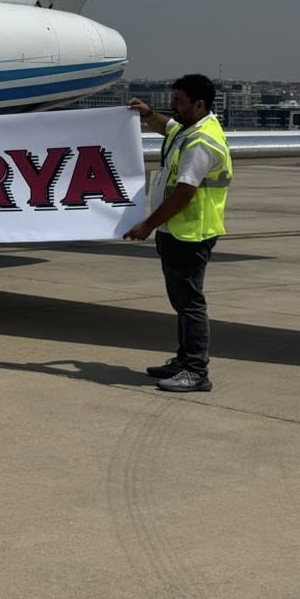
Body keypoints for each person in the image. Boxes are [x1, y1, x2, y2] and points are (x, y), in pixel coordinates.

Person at [126, 74, 233, 392]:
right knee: (182, 301)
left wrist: (147, 225)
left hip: (190, 234)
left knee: (190, 303)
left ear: (199, 104)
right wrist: (147, 114)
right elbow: (167, 127)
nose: (173, 107)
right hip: (176, 230)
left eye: (179, 102)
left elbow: (184, 193)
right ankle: (184, 360)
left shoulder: (200, 143)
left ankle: (196, 371)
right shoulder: (188, 129)